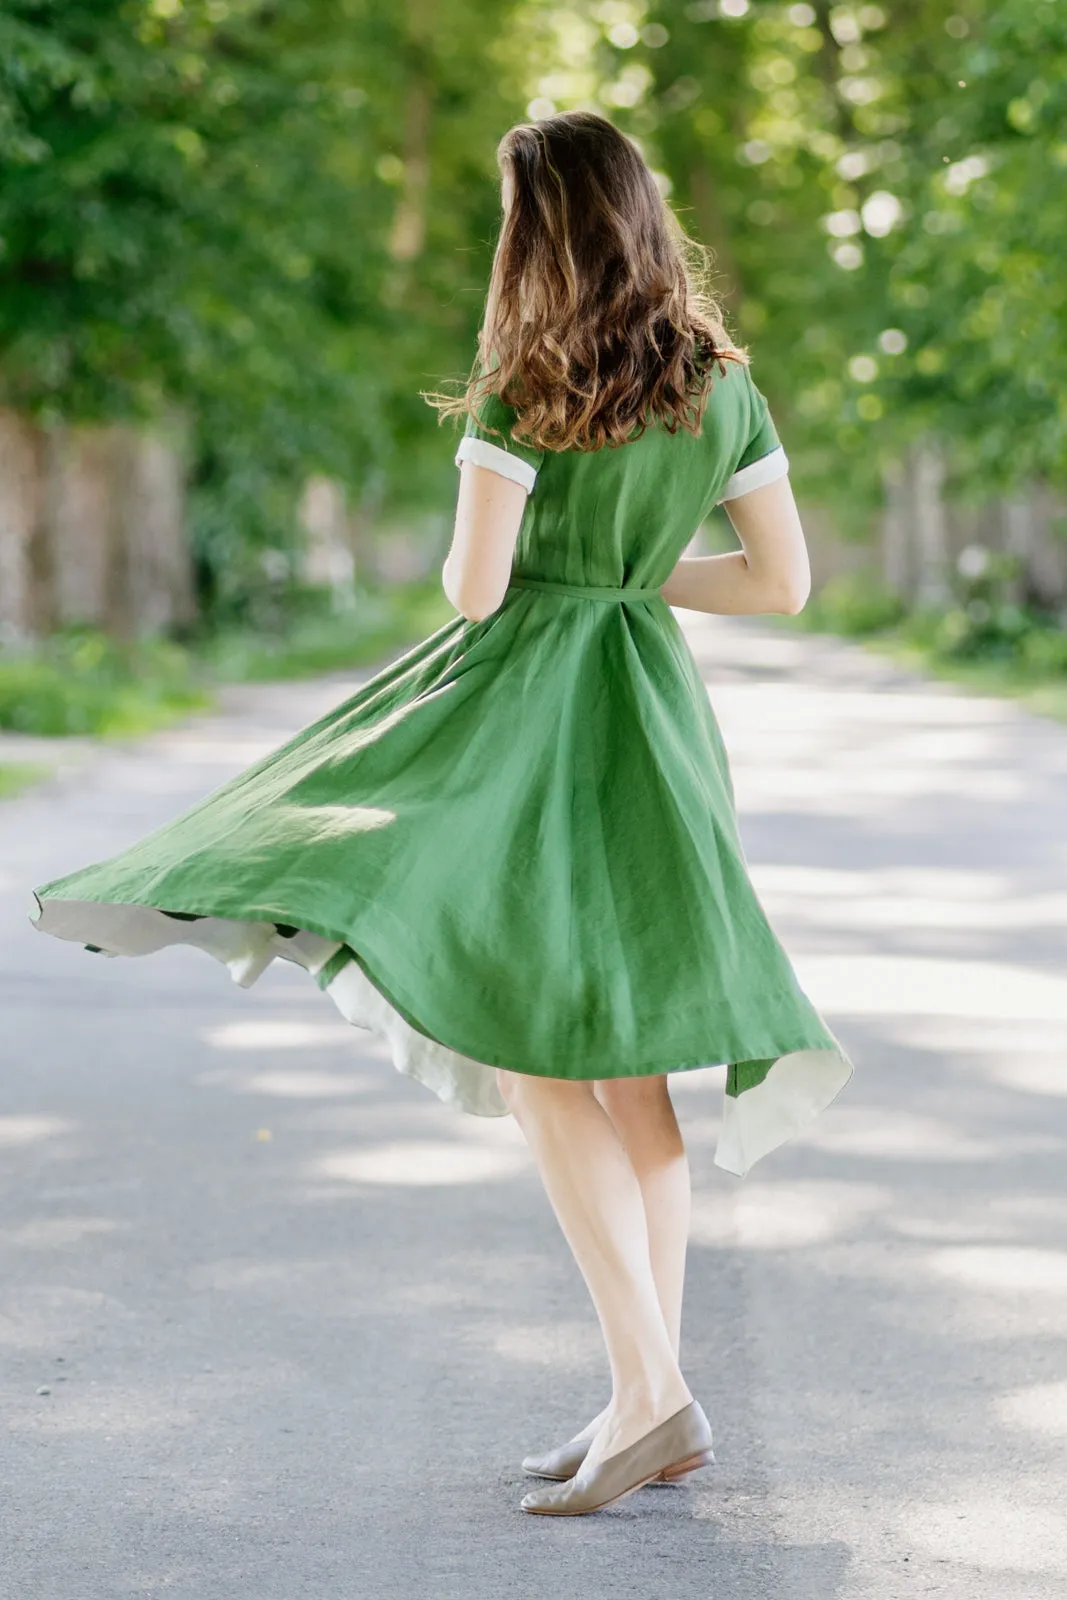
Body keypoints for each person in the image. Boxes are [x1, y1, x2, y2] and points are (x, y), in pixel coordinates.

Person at [30, 110, 853, 1516]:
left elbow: (472, 594)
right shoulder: (723, 386)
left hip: (523, 725)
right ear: (643, 213)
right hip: (649, 721)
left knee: (534, 1042)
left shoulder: (522, 382)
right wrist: (637, 574)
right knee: (628, 1059)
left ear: (534, 229)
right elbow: (779, 584)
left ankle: (651, 1394)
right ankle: (642, 1396)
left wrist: (549, 550)